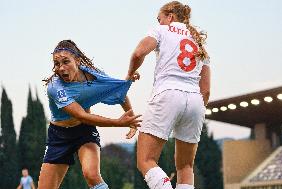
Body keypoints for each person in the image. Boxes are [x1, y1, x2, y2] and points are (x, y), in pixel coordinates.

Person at [126, 1, 210, 189]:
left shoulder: (161, 30)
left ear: (170, 16)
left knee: (146, 160)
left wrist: (130, 74)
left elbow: (138, 54)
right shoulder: (199, 41)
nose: (159, 22)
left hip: (168, 93)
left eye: (160, 18)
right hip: (196, 100)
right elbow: (206, 89)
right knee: (186, 166)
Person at [38, 39, 141, 189]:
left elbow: (119, 92)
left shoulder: (94, 75)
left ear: (78, 61)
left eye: (66, 62)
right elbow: (81, 114)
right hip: (58, 136)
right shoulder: (54, 87)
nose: (61, 68)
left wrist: (130, 118)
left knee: (92, 175)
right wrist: (118, 122)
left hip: (84, 131)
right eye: (57, 64)